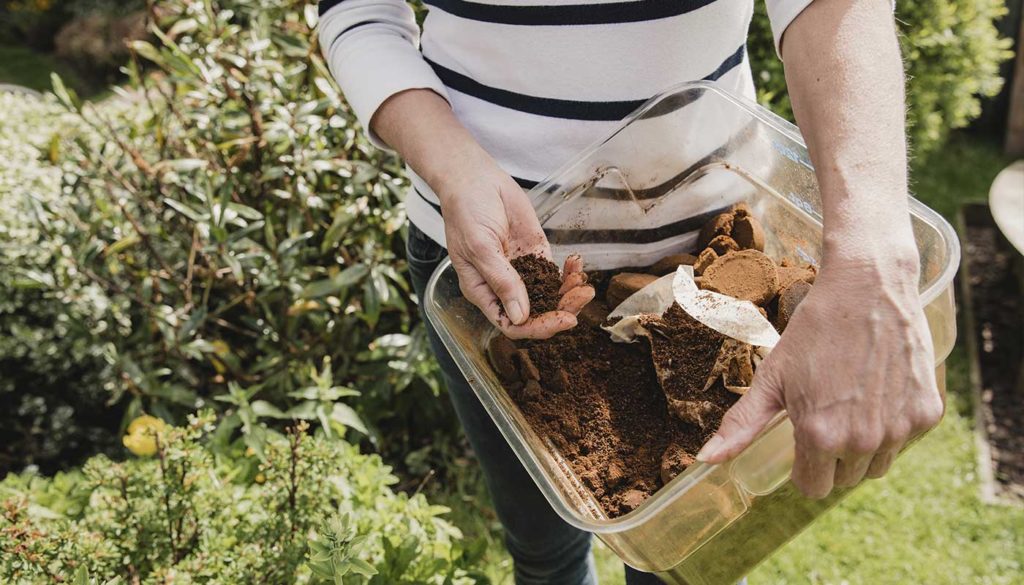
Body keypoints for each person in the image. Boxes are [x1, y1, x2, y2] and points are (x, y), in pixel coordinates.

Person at [318, 0, 944, 582]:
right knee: (543, 550)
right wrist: (454, 168)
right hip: (492, 275)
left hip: (714, 266)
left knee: (686, 563)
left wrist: (872, 262)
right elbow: (356, 9)